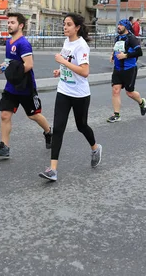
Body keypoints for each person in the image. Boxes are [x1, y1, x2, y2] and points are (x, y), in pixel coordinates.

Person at [38, 14, 101, 182]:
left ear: (77, 27)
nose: (65, 27)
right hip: (64, 90)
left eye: (69, 24)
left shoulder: (81, 46)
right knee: (58, 129)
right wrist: (61, 70)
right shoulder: (67, 42)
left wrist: (63, 63)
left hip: (80, 94)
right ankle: (53, 170)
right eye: (64, 24)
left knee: (82, 126)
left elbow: (85, 72)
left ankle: (95, 148)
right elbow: (69, 63)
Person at [0, 12, 52, 157]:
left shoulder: (23, 43)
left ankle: (49, 132)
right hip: (11, 86)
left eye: (12, 22)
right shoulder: (8, 42)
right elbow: (9, 62)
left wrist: (13, 73)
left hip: (25, 86)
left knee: (33, 115)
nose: (9, 25)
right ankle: (4, 147)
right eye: (8, 22)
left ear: (21, 25)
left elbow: (29, 65)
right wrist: (3, 67)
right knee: (5, 115)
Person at [107, 19, 146, 122]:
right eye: (118, 24)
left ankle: (141, 102)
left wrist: (126, 55)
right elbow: (116, 49)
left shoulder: (132, 38)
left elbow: (139, 52)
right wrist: (112, 55)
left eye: (120, 25)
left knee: (129, 93)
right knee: (115, 90)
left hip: (129, 69)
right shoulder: (118, 38)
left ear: (126, 26)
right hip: (117, 68)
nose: (118, 26)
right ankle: (116, 115)